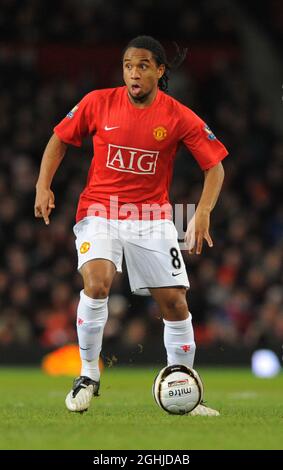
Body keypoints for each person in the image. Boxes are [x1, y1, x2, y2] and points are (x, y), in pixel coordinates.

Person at [34, 35, 228, 416]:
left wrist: (202, 211)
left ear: (159, 70)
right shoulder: (97, 102)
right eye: (127, 65)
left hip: (151, 216)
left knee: (175, 303)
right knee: (98, 282)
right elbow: (58, 140)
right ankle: (88, 375)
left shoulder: (178, 116)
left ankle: (184, 388)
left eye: (142, 66)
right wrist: (43, 185)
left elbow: (215, 166)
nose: (133, 73)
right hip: (100, 210)